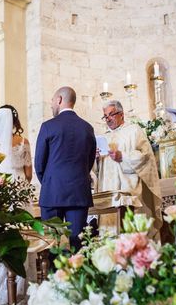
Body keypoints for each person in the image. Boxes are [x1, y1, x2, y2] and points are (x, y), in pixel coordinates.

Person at [35, 86, 96, 251]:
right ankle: (76, 275)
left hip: (52, 192)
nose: (51, 105)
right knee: (78, 245)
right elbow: (89, 161)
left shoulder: (48, 126)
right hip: (78, 191)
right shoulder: (87, 128)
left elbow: (39, 163)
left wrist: (49, 182)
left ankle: (54, 276)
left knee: (51, 244)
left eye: (52, 101)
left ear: (59, 100)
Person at [0, 105, 33, 305]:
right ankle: (18, 286)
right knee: (21, 237)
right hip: (20, 192)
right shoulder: (23, 142)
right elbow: (29, 174)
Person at [96, 99, 162, 235]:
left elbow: (146, 157)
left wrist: (123, 156)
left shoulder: (134, 131)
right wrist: (95, 157)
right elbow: (97, 170)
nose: (108, 119)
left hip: (129, 189)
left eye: (111, 114)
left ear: (122, 114)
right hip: (108, 191)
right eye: (105, 116)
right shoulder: (103, 137)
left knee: (132, 233)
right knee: (110, 235)